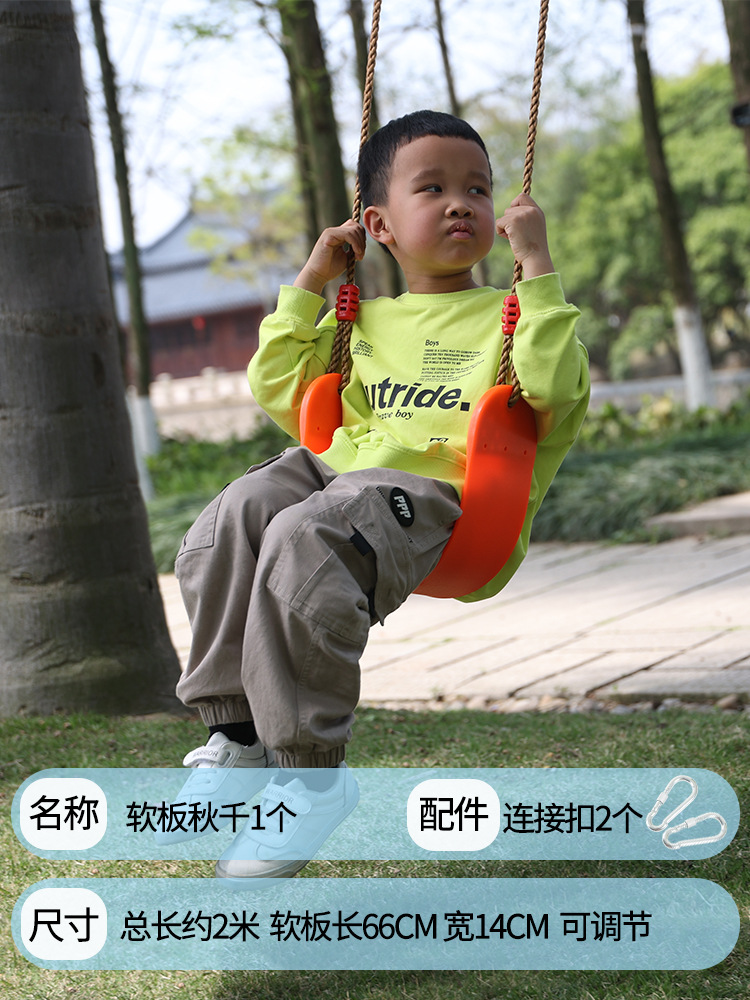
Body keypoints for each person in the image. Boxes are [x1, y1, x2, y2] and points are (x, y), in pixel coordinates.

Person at [165, 110, 590, 883]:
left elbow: (556, 387)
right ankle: (238, 734)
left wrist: (537, 269)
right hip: (342, 475)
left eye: (477, 189)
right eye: (432, 188)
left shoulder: (512, 315)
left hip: (438, 497)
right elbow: (278, 385)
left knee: (306, 536)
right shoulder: (360, 317)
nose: (461, 203)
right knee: (236, 514)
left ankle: (309, 778)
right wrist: (311, 280)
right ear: (379, 225)